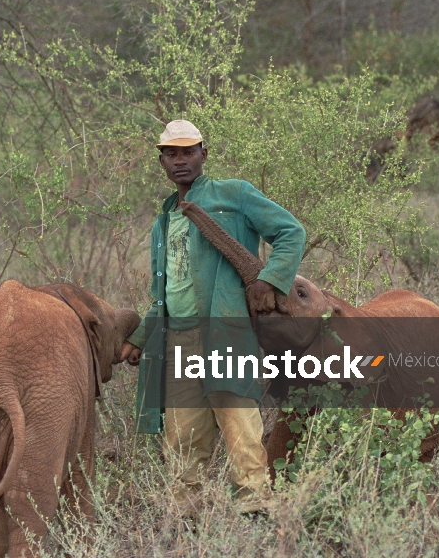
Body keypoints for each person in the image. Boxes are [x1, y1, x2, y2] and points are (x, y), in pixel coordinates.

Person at [120, 119, 306, 516]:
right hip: (179, 339)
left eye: (188, 152)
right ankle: (186, 518)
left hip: (226, 332)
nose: (180, 161)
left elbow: (291, 231)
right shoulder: (165, 217)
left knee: (240, 426)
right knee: (182, 436)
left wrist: (270, 281)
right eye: (171, 154)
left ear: (204, 153)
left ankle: (255, 511)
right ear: (162, 161)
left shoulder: (233, 194)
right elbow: (165, 293)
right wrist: (139, 338)